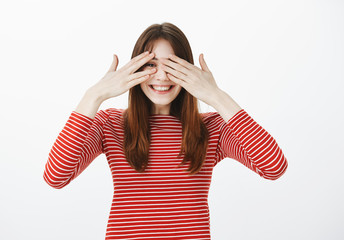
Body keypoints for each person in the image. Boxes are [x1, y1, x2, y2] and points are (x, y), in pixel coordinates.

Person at [43, 22, 288, 239]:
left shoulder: (212, 129)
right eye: (150, 65)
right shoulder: (111, 124)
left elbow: (274, 167)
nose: (161, 76)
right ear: (135, 69)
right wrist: (93, 96)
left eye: (172, 65)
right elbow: (55, 177)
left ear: (188, 71)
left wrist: (216, 96)